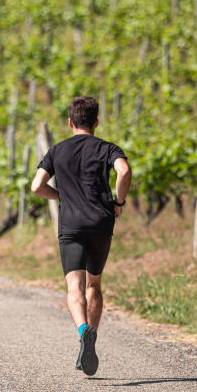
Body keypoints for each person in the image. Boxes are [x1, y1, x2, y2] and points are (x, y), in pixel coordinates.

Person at [30, 96, 132, 376]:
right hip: (101, 223)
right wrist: (119, 203)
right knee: (93, 285)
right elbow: (123, 171)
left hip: (71, 226)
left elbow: (36, 186)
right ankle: (92, 335)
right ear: (96, 122)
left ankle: (83, 330)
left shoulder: (57, 150)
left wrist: (60, 195)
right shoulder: (108, 148)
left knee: (74, 287)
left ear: (70, 122)